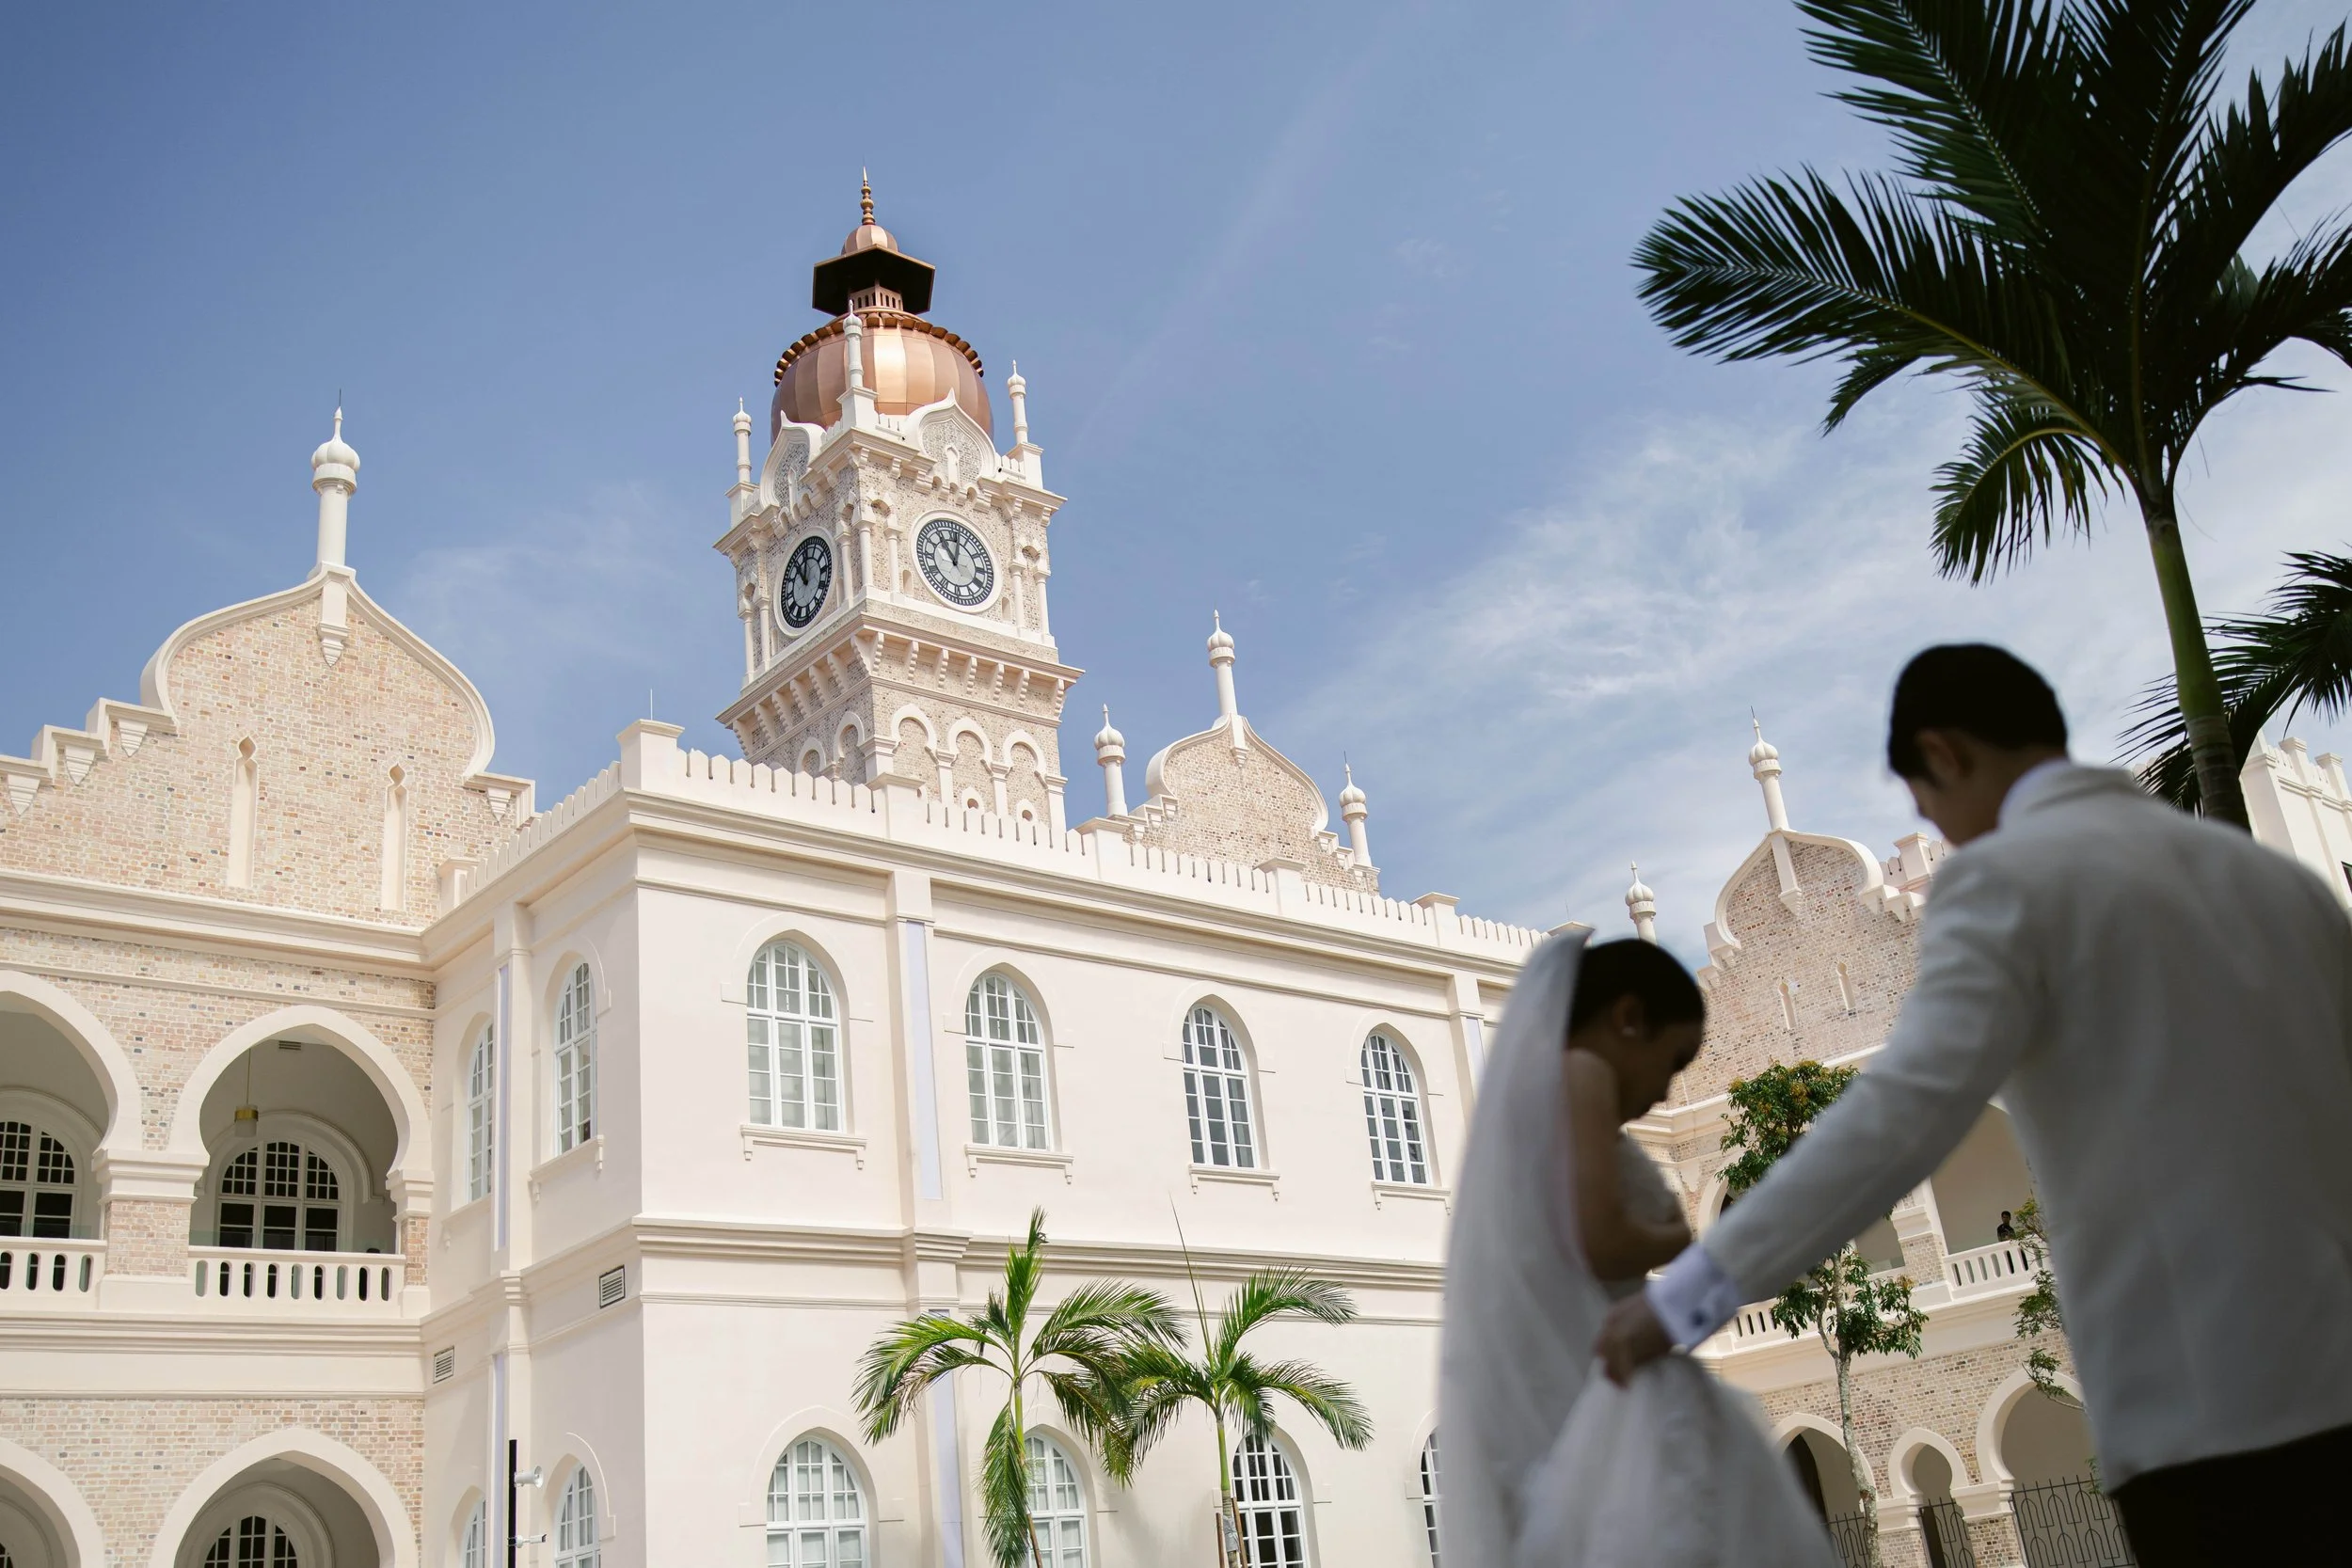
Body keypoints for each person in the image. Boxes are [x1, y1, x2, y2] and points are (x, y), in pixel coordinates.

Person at [1595, 644, 2352, 1566]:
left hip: (2207, 1418)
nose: (1938, 823)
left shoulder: (2006, 883)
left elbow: (1895, 1118)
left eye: (1924, 801)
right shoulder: (2283, 886)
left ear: (1943, 753)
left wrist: (1685, 1300)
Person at [1441, 935, 1835, 1567]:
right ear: (1627, 1019)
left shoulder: (1540, 1102)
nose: (1666, 1090)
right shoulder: (1582, 1070)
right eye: (1673, 1058)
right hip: (1621, 1379)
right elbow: (1602, 1241)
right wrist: (1685, 1241)